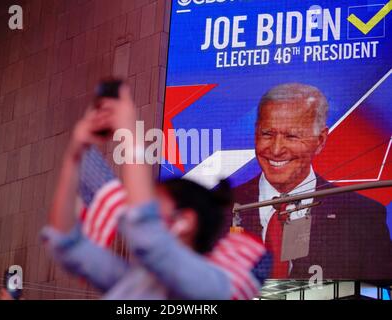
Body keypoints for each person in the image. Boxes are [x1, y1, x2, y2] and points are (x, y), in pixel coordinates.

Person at [41, 83, 271, 299]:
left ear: (185, 221)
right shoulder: (140, 281)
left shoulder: (212, 284)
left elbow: (148, 238)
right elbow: (67, 246)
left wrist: (129, 131)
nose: (138, 205)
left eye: (154, 203)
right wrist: (75, 154)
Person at [229, 83, 392, 279]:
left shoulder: (361, 216)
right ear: (256, 132)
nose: (276, 149)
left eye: (291, 136)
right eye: (267, 134)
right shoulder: (217, 208)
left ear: (321, 140)